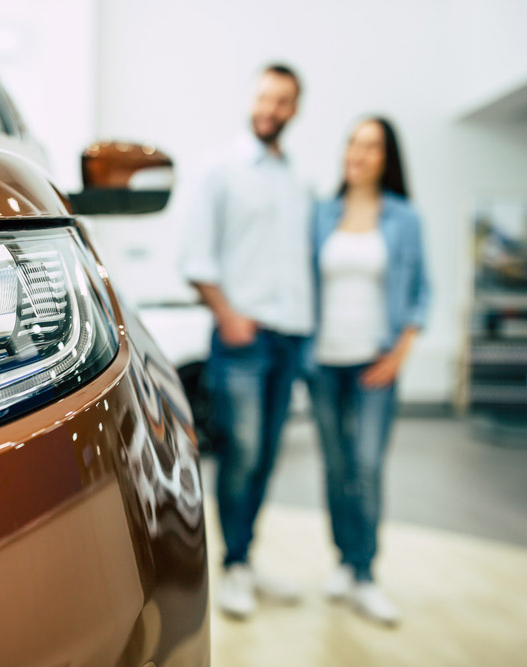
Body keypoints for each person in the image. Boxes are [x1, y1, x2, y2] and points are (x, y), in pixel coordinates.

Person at [181, 64, 313, 618]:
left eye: (283, 101)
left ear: (294, 109)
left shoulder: (297, 181)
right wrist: (229, 316)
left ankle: (245, 558)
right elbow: (194, 257)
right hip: (242, 338)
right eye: (265, 97)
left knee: (266, 460)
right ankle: (233, 565)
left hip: (290, 340)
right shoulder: (220, 170)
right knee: (241, 454)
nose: (271, 109)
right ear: (253, 100)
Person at [309, 117, 429, 625]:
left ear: (386, 158)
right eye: (353, 143)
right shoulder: (319, 214)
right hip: (322, 363)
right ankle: (343, 560)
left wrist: (399, 354)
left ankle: (365, 572)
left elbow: (423, 290)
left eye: (371, 146)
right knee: (336, 468)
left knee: (367, 466)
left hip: (375, 364)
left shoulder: (404, 218)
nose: (359, 153)